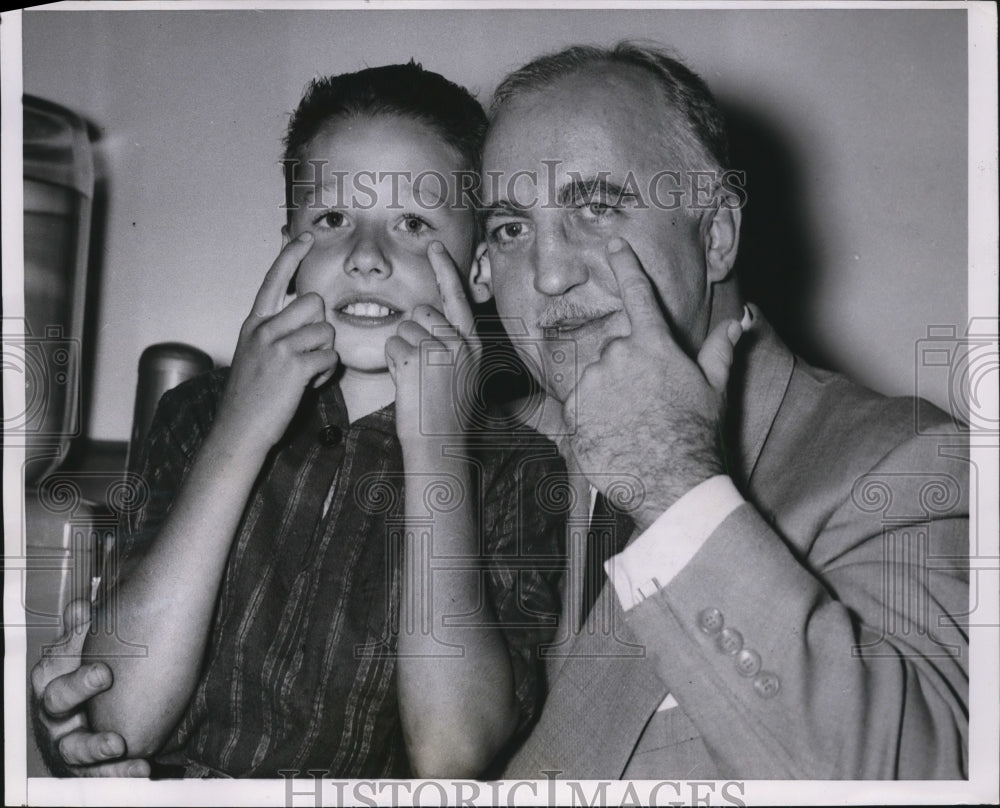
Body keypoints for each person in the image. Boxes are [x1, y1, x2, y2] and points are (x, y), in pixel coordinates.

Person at [32, 42, 969, 781]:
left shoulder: (906, 464)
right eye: (513, 228)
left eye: (597, 208)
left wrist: (679, 483)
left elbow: (918, 776)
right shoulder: (501, 445)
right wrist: (90, 703)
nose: (549, 273)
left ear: (717, 231)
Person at [33, 62, 565, 779]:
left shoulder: (520, 471)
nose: (368, 257)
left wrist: (436, 448)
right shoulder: (197, 415)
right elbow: (120, 721)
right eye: (333, 219)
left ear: (476, 271)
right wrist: (240, 431)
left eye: (413, 223)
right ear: (288, 242)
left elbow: (452, 753)